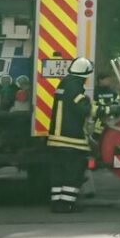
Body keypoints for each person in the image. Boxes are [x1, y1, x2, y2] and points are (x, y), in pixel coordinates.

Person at [46, 58, 98, 212]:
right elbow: (83, 109)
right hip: (71, 140)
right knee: (73, 173)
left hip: (57, 141)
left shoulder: (64, 84)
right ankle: (66, 205)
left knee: (58, 174)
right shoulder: (74, 87)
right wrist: (106, 110)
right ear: (84, 74)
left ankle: (56, 203)